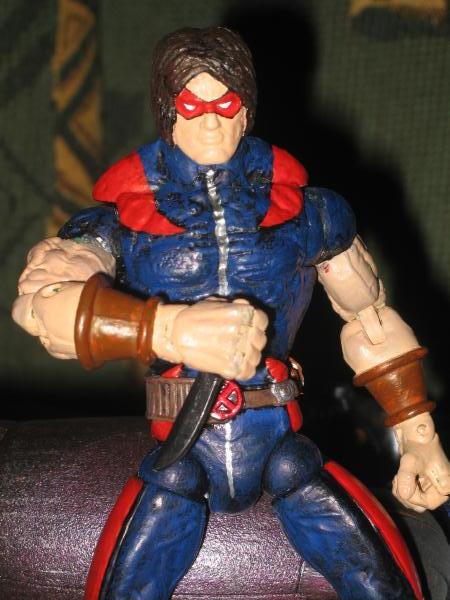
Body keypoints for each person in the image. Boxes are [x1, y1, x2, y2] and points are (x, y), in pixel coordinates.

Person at [12, 27, 449, 600]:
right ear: (168, 112)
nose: (211, 123)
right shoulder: (118, 219)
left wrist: (418, 436)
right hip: (181, 443)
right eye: (193, 106)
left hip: (280, 437)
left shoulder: (309, 214)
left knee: (383, 579)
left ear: (247, 109)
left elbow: (371, 321)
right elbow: (41, 306)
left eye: (225, 104)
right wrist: (168, 330)